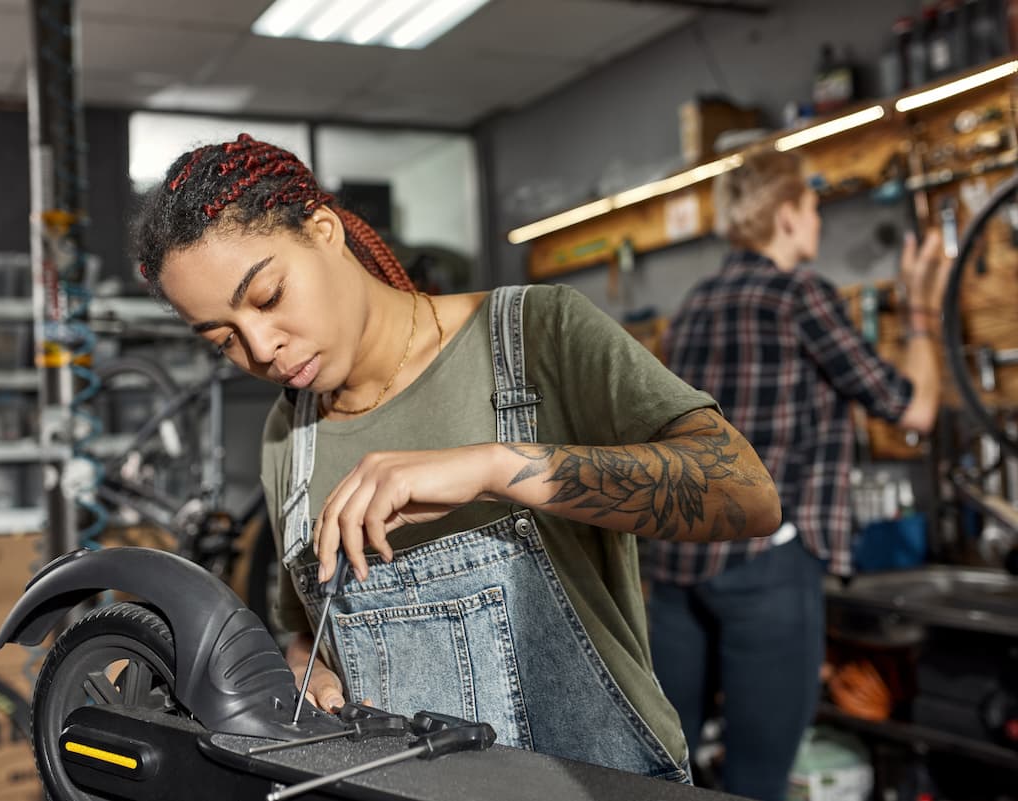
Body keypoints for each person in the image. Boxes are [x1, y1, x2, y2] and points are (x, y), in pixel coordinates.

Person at [134, 133, 782, 779]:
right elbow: (302, 632)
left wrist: (495, 470)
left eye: (269, 296)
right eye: (223, 340)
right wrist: (310, 667)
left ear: (325, 231)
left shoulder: (537, 335)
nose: (260, 347)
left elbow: (747, 495)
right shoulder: (288, 436)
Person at [646, 147, 951, 801]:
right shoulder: (799, 293)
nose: (818, 221)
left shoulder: (694, 304)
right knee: (758, 780)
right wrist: (920, 308)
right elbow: (913, 409)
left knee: (665, 772)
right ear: (786, 216)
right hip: (767, 563)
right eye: (813, 208)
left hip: (677, 564)